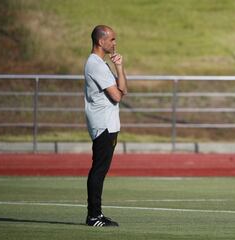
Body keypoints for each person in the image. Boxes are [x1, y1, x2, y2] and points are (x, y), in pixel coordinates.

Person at [84, 25, 127, 227]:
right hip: (103, 125)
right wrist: (118, 89)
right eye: (112, 39)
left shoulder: (103, 64)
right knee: (99, 170)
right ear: (101, 42)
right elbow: (117, 95)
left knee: (100, 170)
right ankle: (94, 215)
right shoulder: (96, 64)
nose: (114, 43)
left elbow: (123, 90)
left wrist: (119, 67)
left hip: (109, 124)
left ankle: (96, 214)